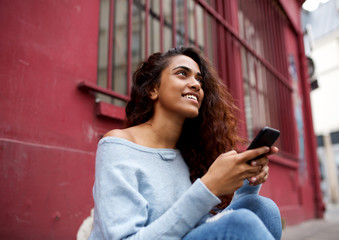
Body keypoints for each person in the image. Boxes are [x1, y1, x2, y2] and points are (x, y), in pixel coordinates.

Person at [88, 46, 282, 240]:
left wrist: (248, 179)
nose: (196, 84)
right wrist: (208, 187)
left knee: (263, 208)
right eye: (182, 74)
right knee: (240, 224)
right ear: (153, 89)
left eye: (199, 79)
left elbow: (201, 224)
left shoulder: (190, 151)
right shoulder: (119, 145)